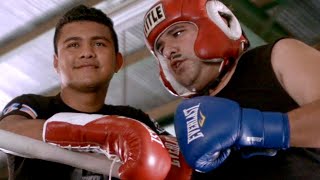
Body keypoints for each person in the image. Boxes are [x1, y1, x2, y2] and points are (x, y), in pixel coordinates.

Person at [0, 5, 192, 180]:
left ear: (118, 61)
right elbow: (8, 130)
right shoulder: (35, 106)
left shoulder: (134, 118)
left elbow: (183, 164)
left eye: (99, 44)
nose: (87, 53)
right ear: (56, 62)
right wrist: (103, 133)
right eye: (73, 45)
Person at [143, 0, 320, 179]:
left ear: (221, 23)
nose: (168, 52)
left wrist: (254, 128)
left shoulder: (277, 57)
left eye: (178, 33)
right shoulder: (190, 122)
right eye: (160, 47)